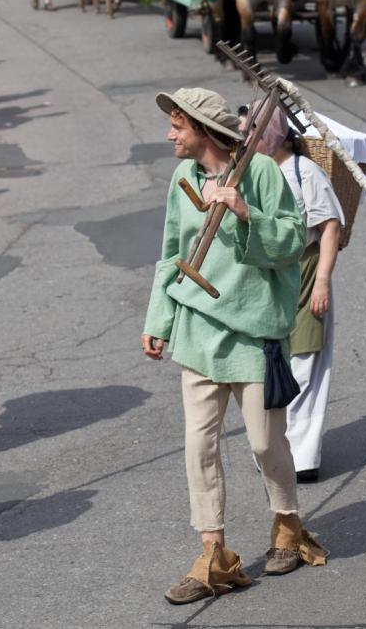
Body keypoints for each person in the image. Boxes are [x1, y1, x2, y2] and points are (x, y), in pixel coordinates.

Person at [141, 88, 327, 605]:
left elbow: (294, 239)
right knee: (198, 446)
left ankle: (287, 525)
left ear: (201, 128)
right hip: (198, 327)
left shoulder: (262, 172)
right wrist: (159, 318)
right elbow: (171, 253)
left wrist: (246, 212)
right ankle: (214, 554)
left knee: (266, 443)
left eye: (177, 126)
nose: (169, 135)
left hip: (255, 330)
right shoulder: (183, 179)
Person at [250, 105, 345, 483]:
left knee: (305, 366)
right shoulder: (258, 173)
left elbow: (331, 228)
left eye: (255, 132)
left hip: (304, 273)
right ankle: (274, 450)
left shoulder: (305, 172)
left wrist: (322, 280)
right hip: (269, 277)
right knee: (271, 364)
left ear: (274, 134)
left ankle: (302, 457)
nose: (249, 141)